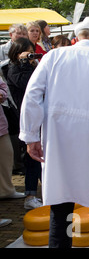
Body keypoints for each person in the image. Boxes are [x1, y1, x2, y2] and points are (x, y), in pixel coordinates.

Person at [19, 16, 89, 248]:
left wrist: (30, 136)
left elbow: (31, 97)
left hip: (59, 139)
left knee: (61, 206)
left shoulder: (53, 57)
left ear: (78, 36)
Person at [6, 37, 43, 210]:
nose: (30, 55)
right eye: (26, 51)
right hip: (26, 120)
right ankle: (30, 195)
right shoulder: (13, 69)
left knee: (42, 157)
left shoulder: (33, 67)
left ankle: (48, 189)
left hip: (39, 116)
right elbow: (26, 84)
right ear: (17, 52)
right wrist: (24, 63)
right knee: (31, 158)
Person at [0, 78, 26, 203]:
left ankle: (6, 190)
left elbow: (3, 87)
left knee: (7, 157)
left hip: (1, 127)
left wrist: (2, 94)